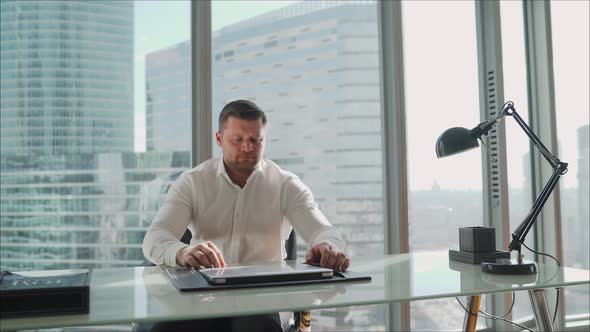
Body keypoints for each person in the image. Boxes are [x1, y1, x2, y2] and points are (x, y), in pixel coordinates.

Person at [142, 99, 350, 332]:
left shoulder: (286, 185)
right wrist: (182, 251)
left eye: (255, 140)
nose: (247, 148)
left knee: (254, 326)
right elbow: (155, 238)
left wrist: (329, 246)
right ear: (219, 139)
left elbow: (324, 231)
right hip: (205, 299)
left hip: (264, 302)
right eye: (237, 140)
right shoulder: (192, 182)